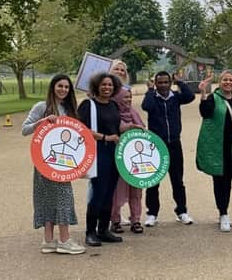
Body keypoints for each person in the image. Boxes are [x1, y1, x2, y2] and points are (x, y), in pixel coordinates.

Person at [22, 74, 86, 255]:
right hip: (45, 162)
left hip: (64, 164)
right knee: (51, 198)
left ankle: (50, 241)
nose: (63, 90)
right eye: (60, 86)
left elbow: (75, 135)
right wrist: (41, 121)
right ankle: (62, 241)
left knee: (60, 197)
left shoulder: (69, 109)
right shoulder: (41, 107)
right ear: (53, 87)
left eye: (66, 87)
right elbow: (24, 130)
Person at [142, 71, 196, 227]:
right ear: (156, 83)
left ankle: (182, 211)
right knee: (154, 181)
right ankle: (152, 213)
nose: (163, 85)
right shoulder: (153, 98)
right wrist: (150, 90)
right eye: (160, 83)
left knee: (177, 180)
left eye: (166, 82)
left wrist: (180, 82)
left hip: (174, 143)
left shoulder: (176, 97)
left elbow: (190, 96)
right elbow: (146, 106)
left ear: (170, 83)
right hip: (156, 145)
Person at [196, 70, 232, 232]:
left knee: (228, 180)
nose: (228, 82)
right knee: (219, 179)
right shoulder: (213, 98)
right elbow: (205, 113)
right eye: (225, 80)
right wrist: (203, 92)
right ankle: (223, 212)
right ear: (219, 81)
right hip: (216, 145)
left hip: (231, 146)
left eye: (231, 80)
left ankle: (224, 210)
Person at [78, 72, 123, 247]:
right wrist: (105, 137)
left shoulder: (113, 104)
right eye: (104, 84)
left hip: (114, 153)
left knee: (109, 193)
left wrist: (129, 127)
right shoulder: (88, 105)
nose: (107, 87)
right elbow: (82, 130)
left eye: (110, 85)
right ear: (97, 86)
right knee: (98, 193)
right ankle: (90, 232)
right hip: (99, 153)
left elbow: (116, 127)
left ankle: (103, 230)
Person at [110, 87, 146, 234]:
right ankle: (115, 220)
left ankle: (136, 220)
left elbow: (144, 132)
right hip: (119, 158)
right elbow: (114, 129)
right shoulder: (113, 114)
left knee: (136, 190)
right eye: (125, 97)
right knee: (117, 191)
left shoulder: (133, 113)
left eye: (129, 97)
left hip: (135, 160)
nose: (128, 100)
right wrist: (130, 127)